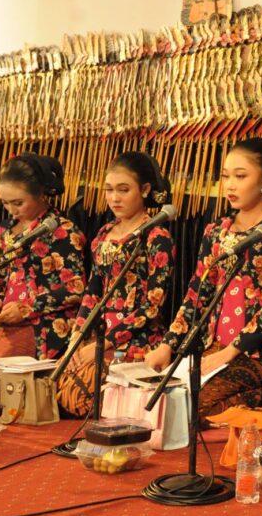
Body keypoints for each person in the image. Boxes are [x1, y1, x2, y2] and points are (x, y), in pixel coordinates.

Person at [145, 138, 262, 417]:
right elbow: (197, 294)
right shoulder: (216, 231)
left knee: (200, 406)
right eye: (226, 176)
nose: (230, 185)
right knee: (167, 401)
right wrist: (167, 345)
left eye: (240, 176)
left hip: (261, 353)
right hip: (215, 347)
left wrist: (229, 352)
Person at [56, 152, 174, 417]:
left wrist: (109, 341)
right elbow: (93, 290)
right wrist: (78, 333)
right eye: (109, 190)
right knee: (62, 380)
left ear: (144, 190)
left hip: (135, 335)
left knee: (84, 394)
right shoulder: (103, 234)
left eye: (123, 190)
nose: (114, 198)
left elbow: (154, 304)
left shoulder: (157, 237)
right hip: (99, 333)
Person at [0, 153, 87, 360]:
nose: (12, 211)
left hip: (45, 322)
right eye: (5, 203)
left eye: (18, 203)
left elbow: (76, 288)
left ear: (40, 194)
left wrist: (27, 309)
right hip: (8, 320)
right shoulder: (5, 231)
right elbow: (0, 279)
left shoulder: (63, 230)